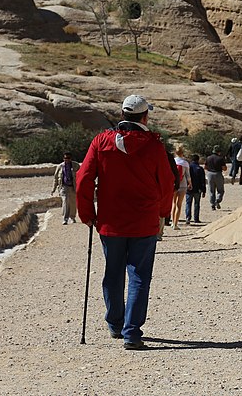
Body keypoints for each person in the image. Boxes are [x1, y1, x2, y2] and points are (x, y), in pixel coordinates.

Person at [76, 94, 174, 350]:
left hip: (111, 222)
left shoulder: (101, 142)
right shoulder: (154, 146)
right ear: (145, 117)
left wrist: (87, 213)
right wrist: (163, 213)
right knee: (139, 276)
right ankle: (132, 333)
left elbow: (84, 178)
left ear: (122, 115)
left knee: (113, 272)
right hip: (144, 222)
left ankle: (115, 324)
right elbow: (166, 184)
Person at [51, 151, 80, 225]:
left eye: (68, 158)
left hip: (73, 187)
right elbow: (56, 178)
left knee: (73, 202)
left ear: (71, 158)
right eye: (65, 158)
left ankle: (72, 217)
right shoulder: (60, 167)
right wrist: (53, 189)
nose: (66, 160)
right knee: (65, 201)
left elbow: (81, 175)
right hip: (63, 187)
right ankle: (65, 218)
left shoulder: (76, 165)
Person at [171, 145, 191, 230]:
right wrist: (190, 184)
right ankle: (176, 224)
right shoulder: (185, 163)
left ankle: (172, 222)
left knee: (173, 203)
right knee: (179, 204)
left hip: (174, 184)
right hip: (183, 185)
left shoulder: (173, 161)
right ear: (182, 153)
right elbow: (188, 176)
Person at [185, 154, 206, 224]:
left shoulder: (188, 167)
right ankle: (196, 218)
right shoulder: (200, 168)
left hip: (189, 189)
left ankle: (188, 218)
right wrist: (204, 190)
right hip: (198, 189)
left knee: (188, 203)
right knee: (197, 204)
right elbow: (203, 181)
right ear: (198, 160)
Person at [204, 145, 227, 210]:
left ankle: (212, 204)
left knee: (211, 190)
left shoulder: (208, 158)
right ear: (219, 151)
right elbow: (224, 168)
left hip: (210, 174)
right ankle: (217, 200)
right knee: (220, 190)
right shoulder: (220, 158)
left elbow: (205, 167)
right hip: (218, 174)